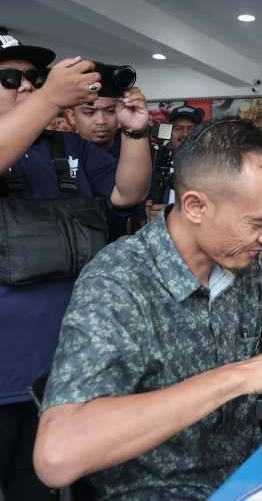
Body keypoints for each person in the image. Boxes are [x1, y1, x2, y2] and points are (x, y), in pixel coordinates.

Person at [33, 119, 262, 499]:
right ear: (196, 206)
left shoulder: (236, 261)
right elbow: (57, 455)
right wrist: (238, 377)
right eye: (257, 223)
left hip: (252, 477)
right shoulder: (119, 283)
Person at [0, 35, 152, 500]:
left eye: (33, 78)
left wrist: (136, 132)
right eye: (10, 78)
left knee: (41, 488)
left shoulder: (66, 147)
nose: (26, 86)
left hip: (67, 366)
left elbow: (128, 194)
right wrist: (49, 97)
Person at [70, 96, 145, 238]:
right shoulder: (62, 151)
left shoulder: (137, 154)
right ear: (71, 115)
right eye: (89, 113)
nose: (101, 121)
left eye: (110, 111)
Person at [146, 104, 204, 221]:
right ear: (170, 132)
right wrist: (148, 211)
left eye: (191, 128)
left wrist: (172, 212)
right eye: (178, 128)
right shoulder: (156, 161)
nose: (185, 134)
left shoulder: (211, 166)